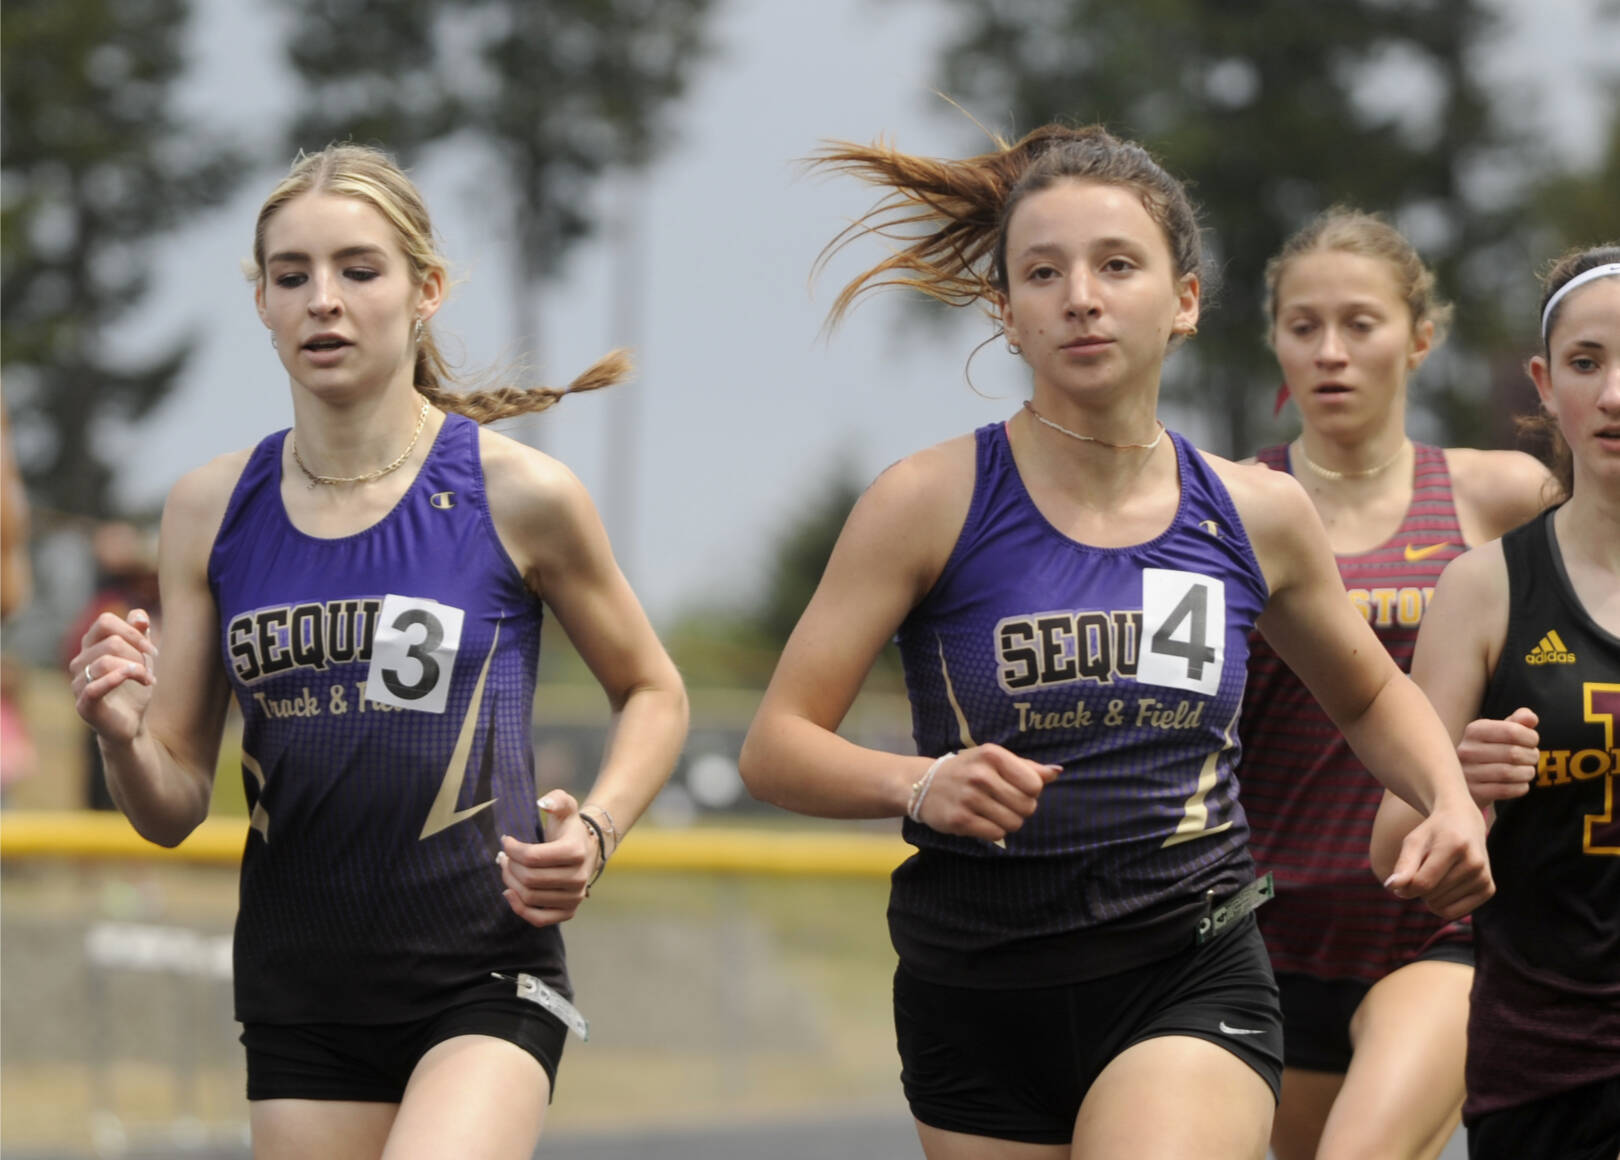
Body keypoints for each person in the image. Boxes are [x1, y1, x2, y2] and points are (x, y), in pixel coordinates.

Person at [738, 123, 1492, 1160]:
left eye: (1117, 265)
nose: (1081, 297)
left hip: (1189, 966)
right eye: (1044, 273)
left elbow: (1367, 696)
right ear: (1007, 312)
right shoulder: (926, 501)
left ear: (1184, 299)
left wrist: (1448, 798)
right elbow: (775, 746)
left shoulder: (1255, 512)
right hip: (978, 992)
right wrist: (920, 783)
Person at [67, 144, 689, 1160]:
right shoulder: (208, 509)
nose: (323, 299)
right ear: (262, 303)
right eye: (292, 275)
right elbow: (171, 804)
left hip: (482, 972)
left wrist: (599, 829)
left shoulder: (517, 493)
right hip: (301, 993)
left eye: (358, 270)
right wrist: (119, 734)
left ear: (425, 289)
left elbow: (654, 689)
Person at [1238, 209, 1552, 1160]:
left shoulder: (1502, 494)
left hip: (1439, 924)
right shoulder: (1229, 504)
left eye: (1360, 323)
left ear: (1420, 337)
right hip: (1267, 932)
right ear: (1276, 341)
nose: (1330, 352)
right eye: (1304, 326)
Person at [1372, 245, 1620, 1160]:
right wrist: (1460, 791)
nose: (1614, 395)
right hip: (1544, 1069)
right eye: (1586, 363)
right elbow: (1393, 851)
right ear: (1545, 386)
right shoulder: (1485, 588)